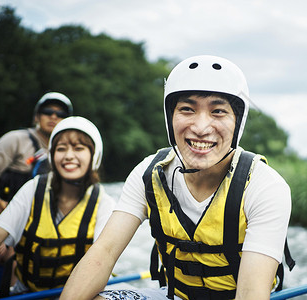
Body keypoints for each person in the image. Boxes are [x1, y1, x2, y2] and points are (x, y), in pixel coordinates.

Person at [61, 55, 293, 300]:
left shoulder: (265, 186)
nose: (201, 128)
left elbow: (250, 294)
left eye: (218, 111)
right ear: (170, 117)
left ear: (238, 122)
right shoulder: (148, 174)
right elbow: (103, 254)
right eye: (187, 109)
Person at [0, 116, 115, 295]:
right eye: (61, 149)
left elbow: (100, 264)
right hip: (26, 293)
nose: (68, 156)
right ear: (52, 156)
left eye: (79, 148)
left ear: (94, 156)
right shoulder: (33, 189)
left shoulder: (105, 204)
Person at [0, 92, 73, 217]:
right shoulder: (16, 139)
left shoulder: (70, 153)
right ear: (36, 117)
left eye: (60, 114)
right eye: (47, 112)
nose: (54, 116)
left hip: (34, 223)